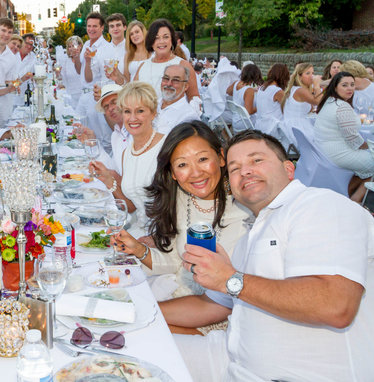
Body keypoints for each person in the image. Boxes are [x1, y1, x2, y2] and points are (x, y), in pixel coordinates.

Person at [161, 130, 374, 382]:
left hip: (292, 375)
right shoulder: (250, 237)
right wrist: (144, 309)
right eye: (235, 168)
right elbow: (214, 305)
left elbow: (335, 305)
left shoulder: (321, 205)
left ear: (289, 169)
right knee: (127, 342)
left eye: (256, 160)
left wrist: (231, 279)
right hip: (229, 358)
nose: (245, 171)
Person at [112, 121, 249, 301]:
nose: (195, 173)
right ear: (173, 173)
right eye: (182, 164)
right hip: (181, 296)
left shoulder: (247, 208)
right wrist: (138, 250)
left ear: (221, 157)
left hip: (223, 310)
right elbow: (175, 261)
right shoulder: (181, 198)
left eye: (202, 159)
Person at [90, 81, 165, 237]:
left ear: (153, 113)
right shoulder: (128, 152)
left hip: (161, 235)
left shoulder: (165, 148)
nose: (132, 118)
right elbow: (131, 206)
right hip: (139, 230)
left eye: (140, 111)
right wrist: (108, 179)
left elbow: (176, 207)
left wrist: (153, 239)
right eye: (127, 111)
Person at [314, 71, 374, 202]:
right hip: (338, 153)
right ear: (335, 87)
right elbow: (354, 141)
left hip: (326, 150)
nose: (350, 88)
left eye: (352, 85)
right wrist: (370, 147)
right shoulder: (342, 107)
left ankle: (345, 195)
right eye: (345, 85)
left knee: (367, 165)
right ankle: (356, 200)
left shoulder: (330, 101)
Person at [135, 19, 199, 102]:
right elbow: (133, 95)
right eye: (156, 38)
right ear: (151, 42)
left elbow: (195, 100)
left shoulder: (183, 65)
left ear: (172, 40)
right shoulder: (142, 66)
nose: (161, 41)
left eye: (165, 37)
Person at [155, 64, 201, 135]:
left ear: (185, 86)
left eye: (176, 80)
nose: (169, 84)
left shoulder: (188, 116)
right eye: (166, 78)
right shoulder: (152, 105)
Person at [282, 62, 322, 144]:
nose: (311, 76)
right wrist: (317, 86)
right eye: (308, 73)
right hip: (297, 129)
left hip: (293, 126)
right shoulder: (300, 91)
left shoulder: (295, 89)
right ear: (299, 77)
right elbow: (318, 102)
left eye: (312, 73)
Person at [253, 63, 287, 137]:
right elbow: (288, 109)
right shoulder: (277, 91)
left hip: (260, 125)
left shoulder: (262, 88)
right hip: (273, 128)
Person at [226, 63, 261, 131]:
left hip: (236, 120)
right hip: (246, 124)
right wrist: (260, 106)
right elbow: (248, 111)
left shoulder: (236, 83)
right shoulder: (249, 90)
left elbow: (228, 92)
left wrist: (241, 95)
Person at [81, 12, 111, 86]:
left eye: (95, 26)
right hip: (82, 94)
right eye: (89, 26)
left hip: (95, 94)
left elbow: (108, 78)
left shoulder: (107, 48)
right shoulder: (86, 44)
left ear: (102, 27)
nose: (91, 29)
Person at [118, 20, 150, 84]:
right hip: (133, 91)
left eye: (137, 32)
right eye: (131, 34)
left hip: (149, 90)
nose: (134, 35)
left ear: (143, 32)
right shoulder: (128, 55)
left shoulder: (152, 52)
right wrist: (116, 72)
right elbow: (126, 80)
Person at [58, 35, 86, 105]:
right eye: (69, 46)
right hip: (71, 97)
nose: (71, 49)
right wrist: (57, 73)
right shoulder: (66, 61)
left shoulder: (85, 59)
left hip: (84, 95)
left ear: (80, 46)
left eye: (73, 46)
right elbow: (61, 79)